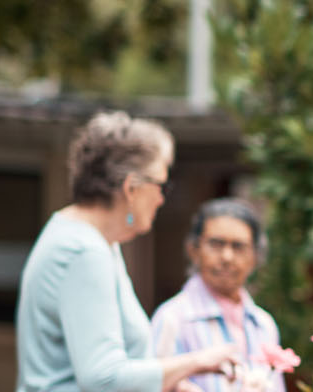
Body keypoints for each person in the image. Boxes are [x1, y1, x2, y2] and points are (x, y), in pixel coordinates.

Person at [16, 112, 237, 392]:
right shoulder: (83, 251)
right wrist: (198, 361)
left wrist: (173, 384)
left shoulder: (95, 240)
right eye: (161, 185)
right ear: (131, 188)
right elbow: (103, 379)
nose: (161, 198)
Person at [153, 199, 283, 392]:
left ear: (255, 257)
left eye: (238, 247)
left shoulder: (263, 325)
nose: (227, 257)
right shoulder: (172, 319)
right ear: (194, 250)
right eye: (216, 244)